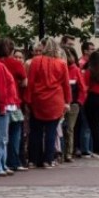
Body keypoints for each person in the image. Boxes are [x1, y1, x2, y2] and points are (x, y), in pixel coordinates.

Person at [26, 38, 69, 169]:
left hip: (38, 99)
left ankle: (33, 159)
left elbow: (31, 81)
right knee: (51, 132)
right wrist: (67, 101)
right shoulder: (61, 63)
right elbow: (65, 84)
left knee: (36, 132)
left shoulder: (36, 61)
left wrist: (28, 99)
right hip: (55, 100)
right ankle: (48, 160)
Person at [0, 40, 19, 177]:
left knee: (2, 137)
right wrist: (2, 106)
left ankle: (1, 163)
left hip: (4, 104)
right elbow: (0, 88)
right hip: (1, 105)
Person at [62, 46, 87, 162]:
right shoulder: (60, 68)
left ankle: (68, 153)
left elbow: (82, 88)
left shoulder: (75, 69)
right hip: (60, 103)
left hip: (73, 104)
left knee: (69, 128)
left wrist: (79, 102)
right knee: (62, 129)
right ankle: (62, 152)